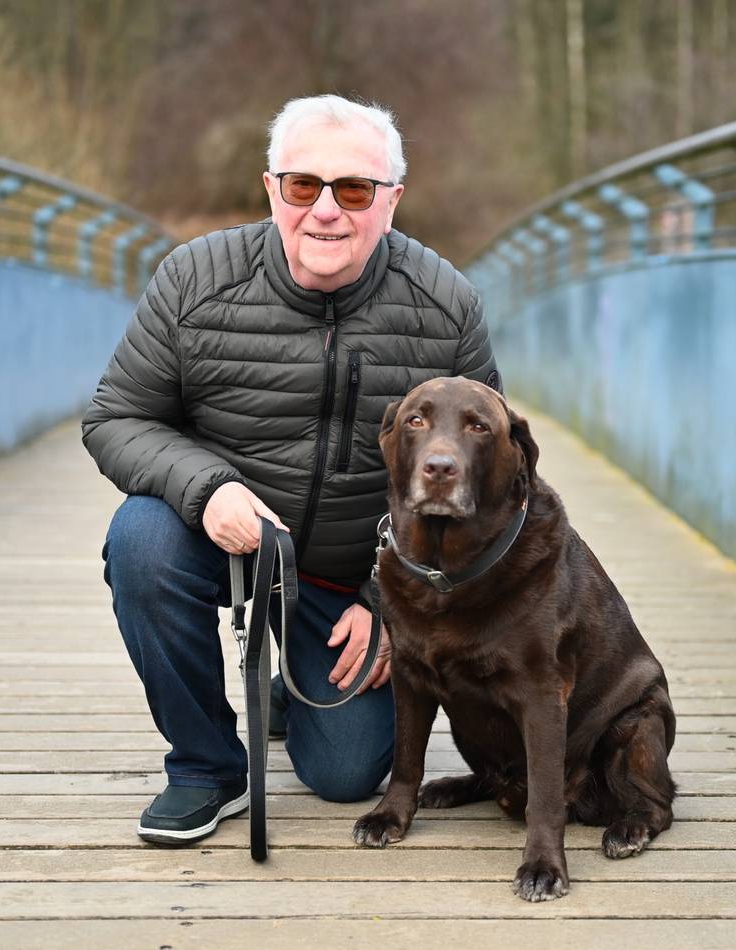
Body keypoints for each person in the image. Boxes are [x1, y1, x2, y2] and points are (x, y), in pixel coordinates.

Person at [82, 94, 499, 845]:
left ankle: (290, 685)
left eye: (355, 190)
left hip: (350, 577)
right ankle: (205, 769)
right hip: (229, 547)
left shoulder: (447, 307)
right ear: (271, 188)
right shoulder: (192, 280)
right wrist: (207, 490)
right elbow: (116, 418)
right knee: (140, 540)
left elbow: (490, 483)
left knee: (345, 777)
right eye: (303, 186)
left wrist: (392, 602)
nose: (327, 211)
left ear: (392, 202)